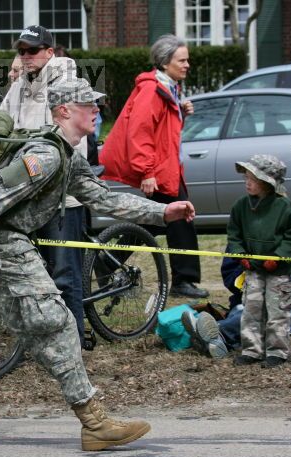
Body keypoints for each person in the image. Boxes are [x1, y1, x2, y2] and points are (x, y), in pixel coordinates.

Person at [0, 79, 197, 452]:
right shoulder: (45, 156)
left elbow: (102, 198)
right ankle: (94, 421)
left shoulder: (66, 155)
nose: (96, 110)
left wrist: (163, 212)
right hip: (4, 249)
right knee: (58, 322)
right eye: (87, 104)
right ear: (64, 110)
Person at [99, 34, 207, 299]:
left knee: (159, 221)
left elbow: (162, 130)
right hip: (159, 171)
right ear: (165, 62)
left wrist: (180, 110)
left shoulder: (168, 88)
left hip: (168, 168)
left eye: (187, 60)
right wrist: (146, 172)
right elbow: (140, 133)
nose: (187, 65)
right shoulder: (152, 89)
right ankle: (183, 280)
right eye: (182, 60)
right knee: (177, 219)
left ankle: (107, 260)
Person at [0, 25, 88, 346]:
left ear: (50, 53)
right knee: (37, 273)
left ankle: (73, 340)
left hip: (63, 197)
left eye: (32, 51)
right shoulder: (20, 85)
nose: (25, 57)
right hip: (30, 195)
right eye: (21, 51)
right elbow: (3, 127)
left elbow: (67, 140)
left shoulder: (69, 85)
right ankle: (43, 336)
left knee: (65, 275)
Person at [226, 155, 291, 367]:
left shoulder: (284, 207)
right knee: (251, 309)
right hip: (253, 270)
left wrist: (278, 257)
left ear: (267, 183)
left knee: (277, 311)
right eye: (246, 178)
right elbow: (234, 235)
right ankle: (251, 350)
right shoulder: (241, 206)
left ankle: (276, 352)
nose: (247, 182)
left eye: (253, 178)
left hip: (278, 272)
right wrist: (241, 255)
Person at [182, 244, 291, 359]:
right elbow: (229, 274)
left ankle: (217, 332)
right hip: (245, 299)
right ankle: (216, 340)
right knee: (241, 311)